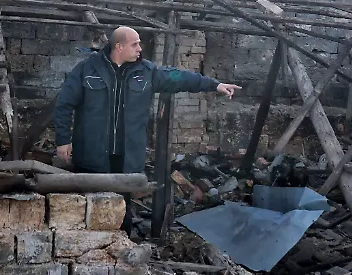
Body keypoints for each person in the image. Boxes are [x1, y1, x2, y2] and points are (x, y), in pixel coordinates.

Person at [53, 26, 241, 233]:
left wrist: (214, 85)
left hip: (126, 158)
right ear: (119, 47)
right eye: (135, 44)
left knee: (121, 212)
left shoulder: (146, 72)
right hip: (92, 155)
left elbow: (178, 77)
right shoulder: (87, 70)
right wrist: (63, 140)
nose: (140, 49)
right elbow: (64, 104)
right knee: (88, 211)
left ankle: (122, 245)